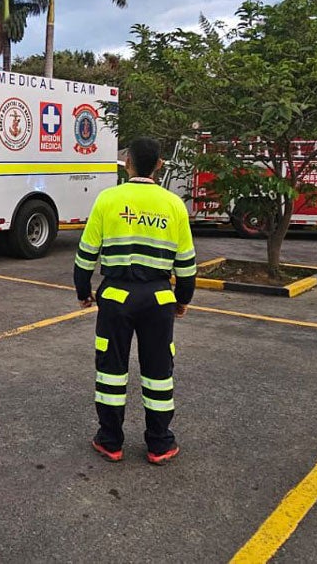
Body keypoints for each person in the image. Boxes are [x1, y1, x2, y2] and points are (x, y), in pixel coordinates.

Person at [74, 137, 196, 465]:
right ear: (159, 164)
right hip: (158, 299)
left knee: (111, 371)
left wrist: (83, 291)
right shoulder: (173, 205)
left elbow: (86, 255)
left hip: (115, 297)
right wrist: (182, 300)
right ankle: (160, 443)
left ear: (127, 162)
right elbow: (186, 264)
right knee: (158, 371)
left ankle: (110, 440)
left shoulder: (108, 199)